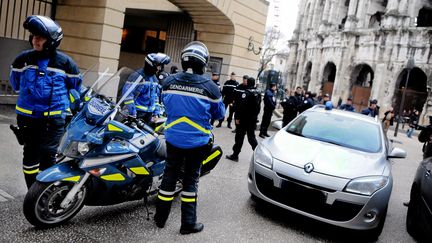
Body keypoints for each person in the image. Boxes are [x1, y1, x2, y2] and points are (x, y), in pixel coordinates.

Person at [154, 41, 225, 234]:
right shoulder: (211, 87)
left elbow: (164, 103)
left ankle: (160, 219)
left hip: (173, 138)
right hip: (198, 142)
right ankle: (188, 224)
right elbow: (220, 115)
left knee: (169, 176)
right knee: (190, 180)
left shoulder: (168, 81)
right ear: (203, 63)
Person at [9, 15, 82, 189]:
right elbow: (15, 84)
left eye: (40, 37)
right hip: (27, 118)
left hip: (53, 119)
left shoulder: (66, 63)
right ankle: (32, 191)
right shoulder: (22, 59)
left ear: (51, 41)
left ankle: (45, 192)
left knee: (48, 154)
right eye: (33, 36)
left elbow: (75, 89)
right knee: (30, 156)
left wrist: (72, 107)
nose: (35, 40)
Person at [123, 53, 170, 123]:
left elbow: (155, 97)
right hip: (136, 114)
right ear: (151, 65)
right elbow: (127, 95)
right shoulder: (137, 76)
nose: (159, 69)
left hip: (149, 115)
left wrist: (156, 112)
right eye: (158, 66)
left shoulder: (154, 78)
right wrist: (132, 113)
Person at [226, 77, 261, 162]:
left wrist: (237, 118)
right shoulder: (258, 92)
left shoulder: (246, 93)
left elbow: (241, 107)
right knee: (251, 138)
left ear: (248, 83)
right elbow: (259, 107)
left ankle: (235, 155)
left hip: (244, 120)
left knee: (239, 137)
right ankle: (259, 155)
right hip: (252, 120)